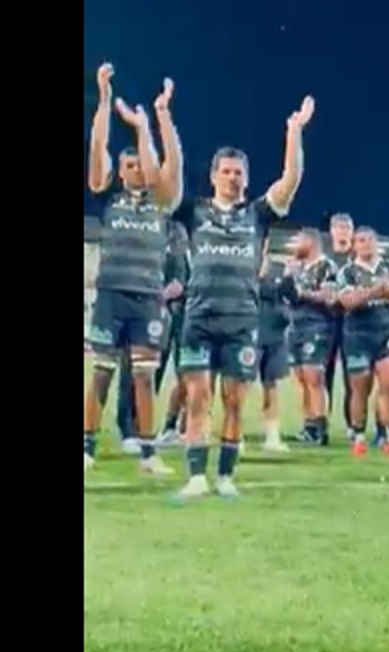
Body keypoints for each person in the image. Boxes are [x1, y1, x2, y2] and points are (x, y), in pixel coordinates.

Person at [175, 95, 315, 500]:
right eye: (226, 171)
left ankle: (225, 477)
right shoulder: (195, 211)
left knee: (234, 401)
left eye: (238, 173)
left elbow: (291, 178)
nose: (232, 178)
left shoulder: (257, 214)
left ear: (247, 180)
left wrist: (294, 132)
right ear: (213, 176)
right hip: (199, 317)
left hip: (240, 320)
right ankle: (196, 477)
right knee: (197, 397)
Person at [83, 65, 182, 475]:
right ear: (121, 171)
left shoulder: (162, 202)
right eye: (129, 166)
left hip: (147, 299)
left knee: (143, 377)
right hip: (111, 294)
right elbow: (97, 148)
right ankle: (86, 448)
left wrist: (151, 125)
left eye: (140, 164)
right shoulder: (109, 198)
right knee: (101, 374)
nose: (136, 170)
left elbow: (169, 164)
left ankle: (147, 452)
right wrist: (104, 101)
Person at [336, 227, 389, 457]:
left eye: (369, 240)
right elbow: (347, 301)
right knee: (360, 389)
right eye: (361, 240)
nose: (366, 244)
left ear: (377, 243)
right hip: (357, 335)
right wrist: (375, 291)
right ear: (354, 245)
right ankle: (358, 436)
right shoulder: (347, 272)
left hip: (387, 331)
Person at [118, 221, 189, 450]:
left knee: (153, 374)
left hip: (170, 315)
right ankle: (129, 430)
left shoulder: (176, 234)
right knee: (134, 371)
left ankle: (146, 428)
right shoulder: (138, 230)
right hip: (141, 309)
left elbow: (179, 279)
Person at [282, 228, 338, 446]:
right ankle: (308, 425)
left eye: (299, 240)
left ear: (311, 242)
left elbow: (330, 296)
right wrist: (287, 277)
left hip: (317, 325)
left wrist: (303, 294)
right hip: (295, 325)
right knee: (302, 378)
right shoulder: (298, 267)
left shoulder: (326, 266)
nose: (296, 245)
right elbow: (287, 296)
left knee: (314, 376)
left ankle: (320, 427)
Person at [254, 243, 292, 453]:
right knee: (240, 386)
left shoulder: (279, 268)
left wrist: (288, 278)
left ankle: (272, 436)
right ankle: (234, 435)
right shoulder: (247, 267)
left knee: (271, 386)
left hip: (275, 336)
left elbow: (291, 296)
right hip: (251, 333)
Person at [324, 213, 354, 432]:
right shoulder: (324, 261)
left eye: (346, 228)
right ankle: (320, 422)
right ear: (332, 230)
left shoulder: (357, 260)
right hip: (326, 322)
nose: (343, 231)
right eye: (339, 227)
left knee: (352, 375)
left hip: (353, 323)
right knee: (323, 373)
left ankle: (353, 424)